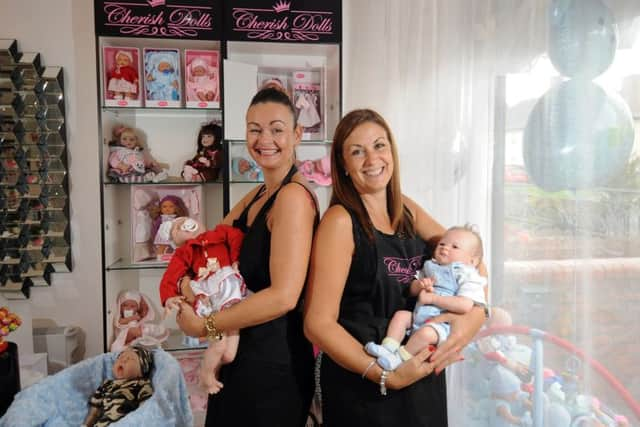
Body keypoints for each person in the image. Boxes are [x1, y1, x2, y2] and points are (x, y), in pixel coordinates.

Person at [303, 109, 488, 426]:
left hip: (418, 375)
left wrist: (473, 318)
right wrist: (384, 375)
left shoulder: (406, 209)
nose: (372, 159)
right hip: (365, 383)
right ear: (343, 166)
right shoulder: (340, 222)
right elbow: (318, 323)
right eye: (357, 152)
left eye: (379, 145)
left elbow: (472, 261)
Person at [175, 87, 318, 427]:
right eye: (255, 129)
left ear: (297, 134)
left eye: (276, 128)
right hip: (239, 357)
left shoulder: (293, 198)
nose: (264, 138)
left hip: (272, 366)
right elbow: (208, 253)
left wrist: (205, 323)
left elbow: (284, 297)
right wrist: (183, 280)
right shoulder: (257, 194)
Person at [365, 225, 487, 370]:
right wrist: (420, 285)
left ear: (472, 261)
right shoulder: (430, 266)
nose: (445, 248)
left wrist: (433, 299)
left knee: (426, 334)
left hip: (441, 325)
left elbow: (465, 305)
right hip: (419, 315)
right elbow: (411, 289)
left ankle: (400, 358)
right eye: (442, 244)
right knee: (401, 316)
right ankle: (388, 347)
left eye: (455, 247)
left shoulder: (468, 276)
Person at [158, 216, 246, 394]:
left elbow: (237, 236)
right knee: (218, 344)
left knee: (229, 355)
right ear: (176, 241)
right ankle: (205, 375)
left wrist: (236, 259)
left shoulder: (220, 232)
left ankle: (211, 367)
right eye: (176, 227)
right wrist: (169, 298)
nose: (182, 223)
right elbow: (170, 276)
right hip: (209, 303)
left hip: (231, 297)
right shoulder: (184, 252)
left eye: (182, 220)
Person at [83, 345, 154, 427]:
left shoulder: (140, 384)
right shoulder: (106, 384)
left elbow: (146, 409)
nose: (123, 360)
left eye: (130, 359)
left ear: (141, 372)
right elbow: (94, 411)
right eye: (121, 357)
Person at [149, 195, 188, 260]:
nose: (167, 209)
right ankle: (159, 257)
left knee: (176, 247)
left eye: (171, 206)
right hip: (162, 236)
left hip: (173, 236)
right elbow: (155, 228)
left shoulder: (177, 218)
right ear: (160, 209)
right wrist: (154, 235)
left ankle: (176, 257)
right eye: (164, 207)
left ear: (176, 208)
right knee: (161, 247)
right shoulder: (160, 219)